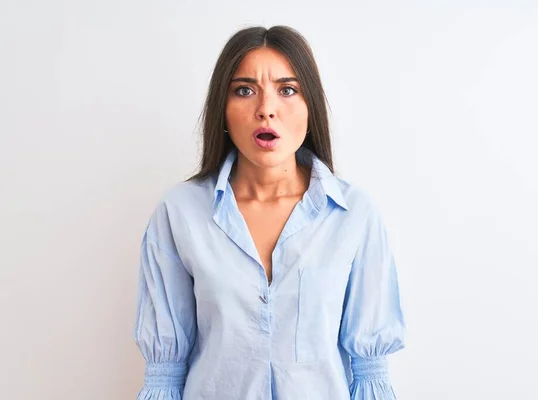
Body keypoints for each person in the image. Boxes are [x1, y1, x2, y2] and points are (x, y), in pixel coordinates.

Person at [132, 25, 406, 400]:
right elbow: (165, 376)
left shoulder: (355, 215)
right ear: (223, 111)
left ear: (311, 106)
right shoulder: (178, 214)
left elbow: (368, 374)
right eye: (244, 90)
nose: (266, 110)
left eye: (287, 90)